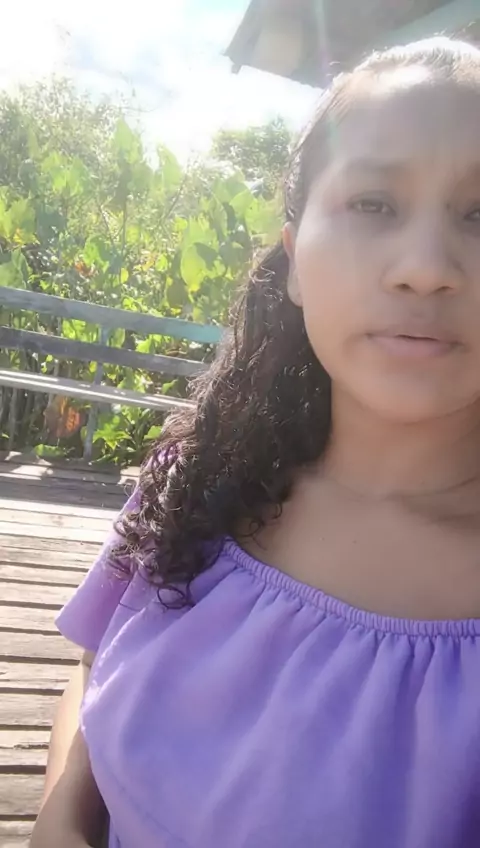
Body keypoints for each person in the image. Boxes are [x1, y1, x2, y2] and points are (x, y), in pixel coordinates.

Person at [31, 36, 480, 848]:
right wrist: (60, 821)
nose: (425, 267)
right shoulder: (199, 481)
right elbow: (97, 663)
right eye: (373, 204)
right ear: (296, 262)